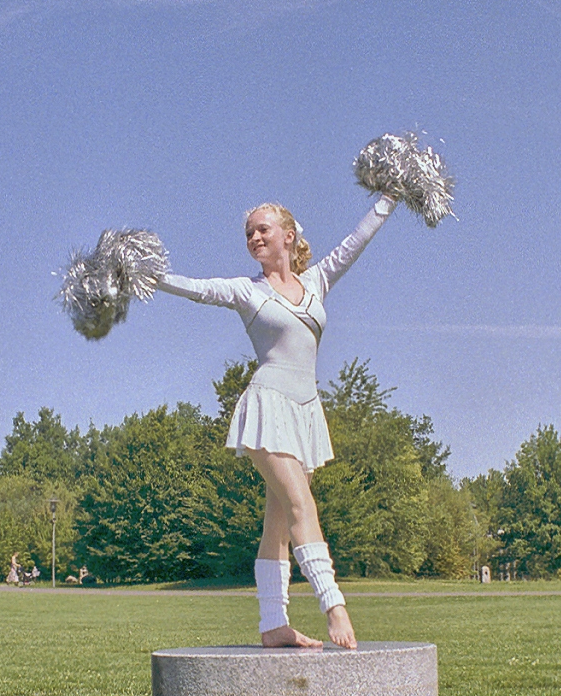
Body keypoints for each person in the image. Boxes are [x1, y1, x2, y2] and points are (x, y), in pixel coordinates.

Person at [155, 193, 399, 649]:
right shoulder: (248, 291)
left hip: (306, 410)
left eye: (262, 229)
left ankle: (273, 623)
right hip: (267, 406)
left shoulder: (318, 281)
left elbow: (356, 241)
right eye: (249, 232)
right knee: (302, 505)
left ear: (289, 236)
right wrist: (146, 274)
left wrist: (387, 198)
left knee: (279, 522)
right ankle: (335, 608)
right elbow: (197, 287)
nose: (254, 237)